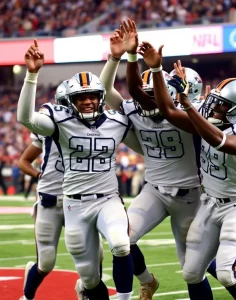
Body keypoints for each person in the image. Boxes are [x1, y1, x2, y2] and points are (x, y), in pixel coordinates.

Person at [137, 41, 236, 300]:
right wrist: (157, 69)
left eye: (220, 105)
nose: (213, 109)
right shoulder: (209, 121)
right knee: (192, 273)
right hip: (209, 202)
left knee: (228, 273)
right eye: (214, 103)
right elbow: (167, 110)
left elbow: (224, 142)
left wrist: (189, 106)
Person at [17, 40, 143, 300]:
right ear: (70, 102)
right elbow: (25, 118)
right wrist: (31, 75)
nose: (87, 102)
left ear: (101, 98)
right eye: (80, 98)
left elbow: (147, 146)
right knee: (88, 277)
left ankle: (125, 298)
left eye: (92, 97)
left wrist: (117, 57)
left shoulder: (117, 121)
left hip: (108, 199)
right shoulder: (59, 122)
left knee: (120, 244)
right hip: (72, 204)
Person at [99, 20, 204, 300]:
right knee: (121, 239)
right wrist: (121, 56)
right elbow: (105, 90)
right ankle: (147, 281)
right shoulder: (135, 110)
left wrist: (154, 68)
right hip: (154, 190)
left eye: (152, 94)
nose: (146, 100)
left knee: (198, 267)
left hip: (191, 195)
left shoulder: (187, 115)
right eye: (143, 95)